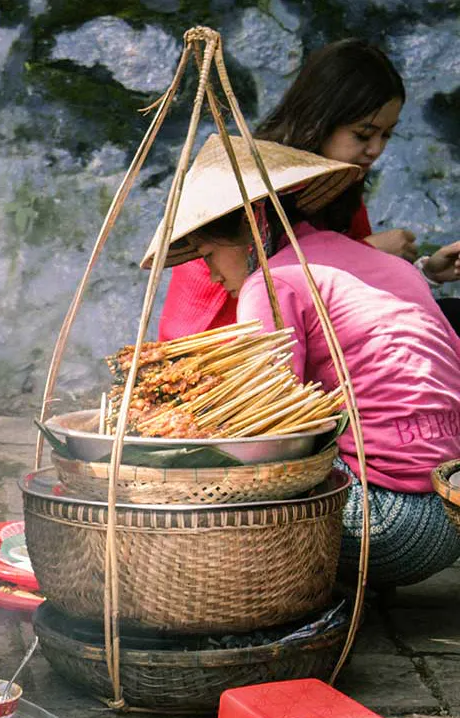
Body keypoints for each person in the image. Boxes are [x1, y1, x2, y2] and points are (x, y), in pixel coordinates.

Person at [148, 133, 460, 588]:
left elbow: (267, 434)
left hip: (384, 526)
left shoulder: (275, 282)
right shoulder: (390, 267)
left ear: (253, 228)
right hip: (450, 512)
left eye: (210, 255)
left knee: (205, 484)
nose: (212, 275)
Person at [160, 38, 460, 342]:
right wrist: (366, 254)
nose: (375, 149)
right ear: (320, 120)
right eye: (363, 135)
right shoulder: (246, 192)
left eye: (386, 136)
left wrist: (426, 273)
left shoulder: (344, 191)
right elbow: (265, 301)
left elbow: (364, 299)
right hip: (237, 349)